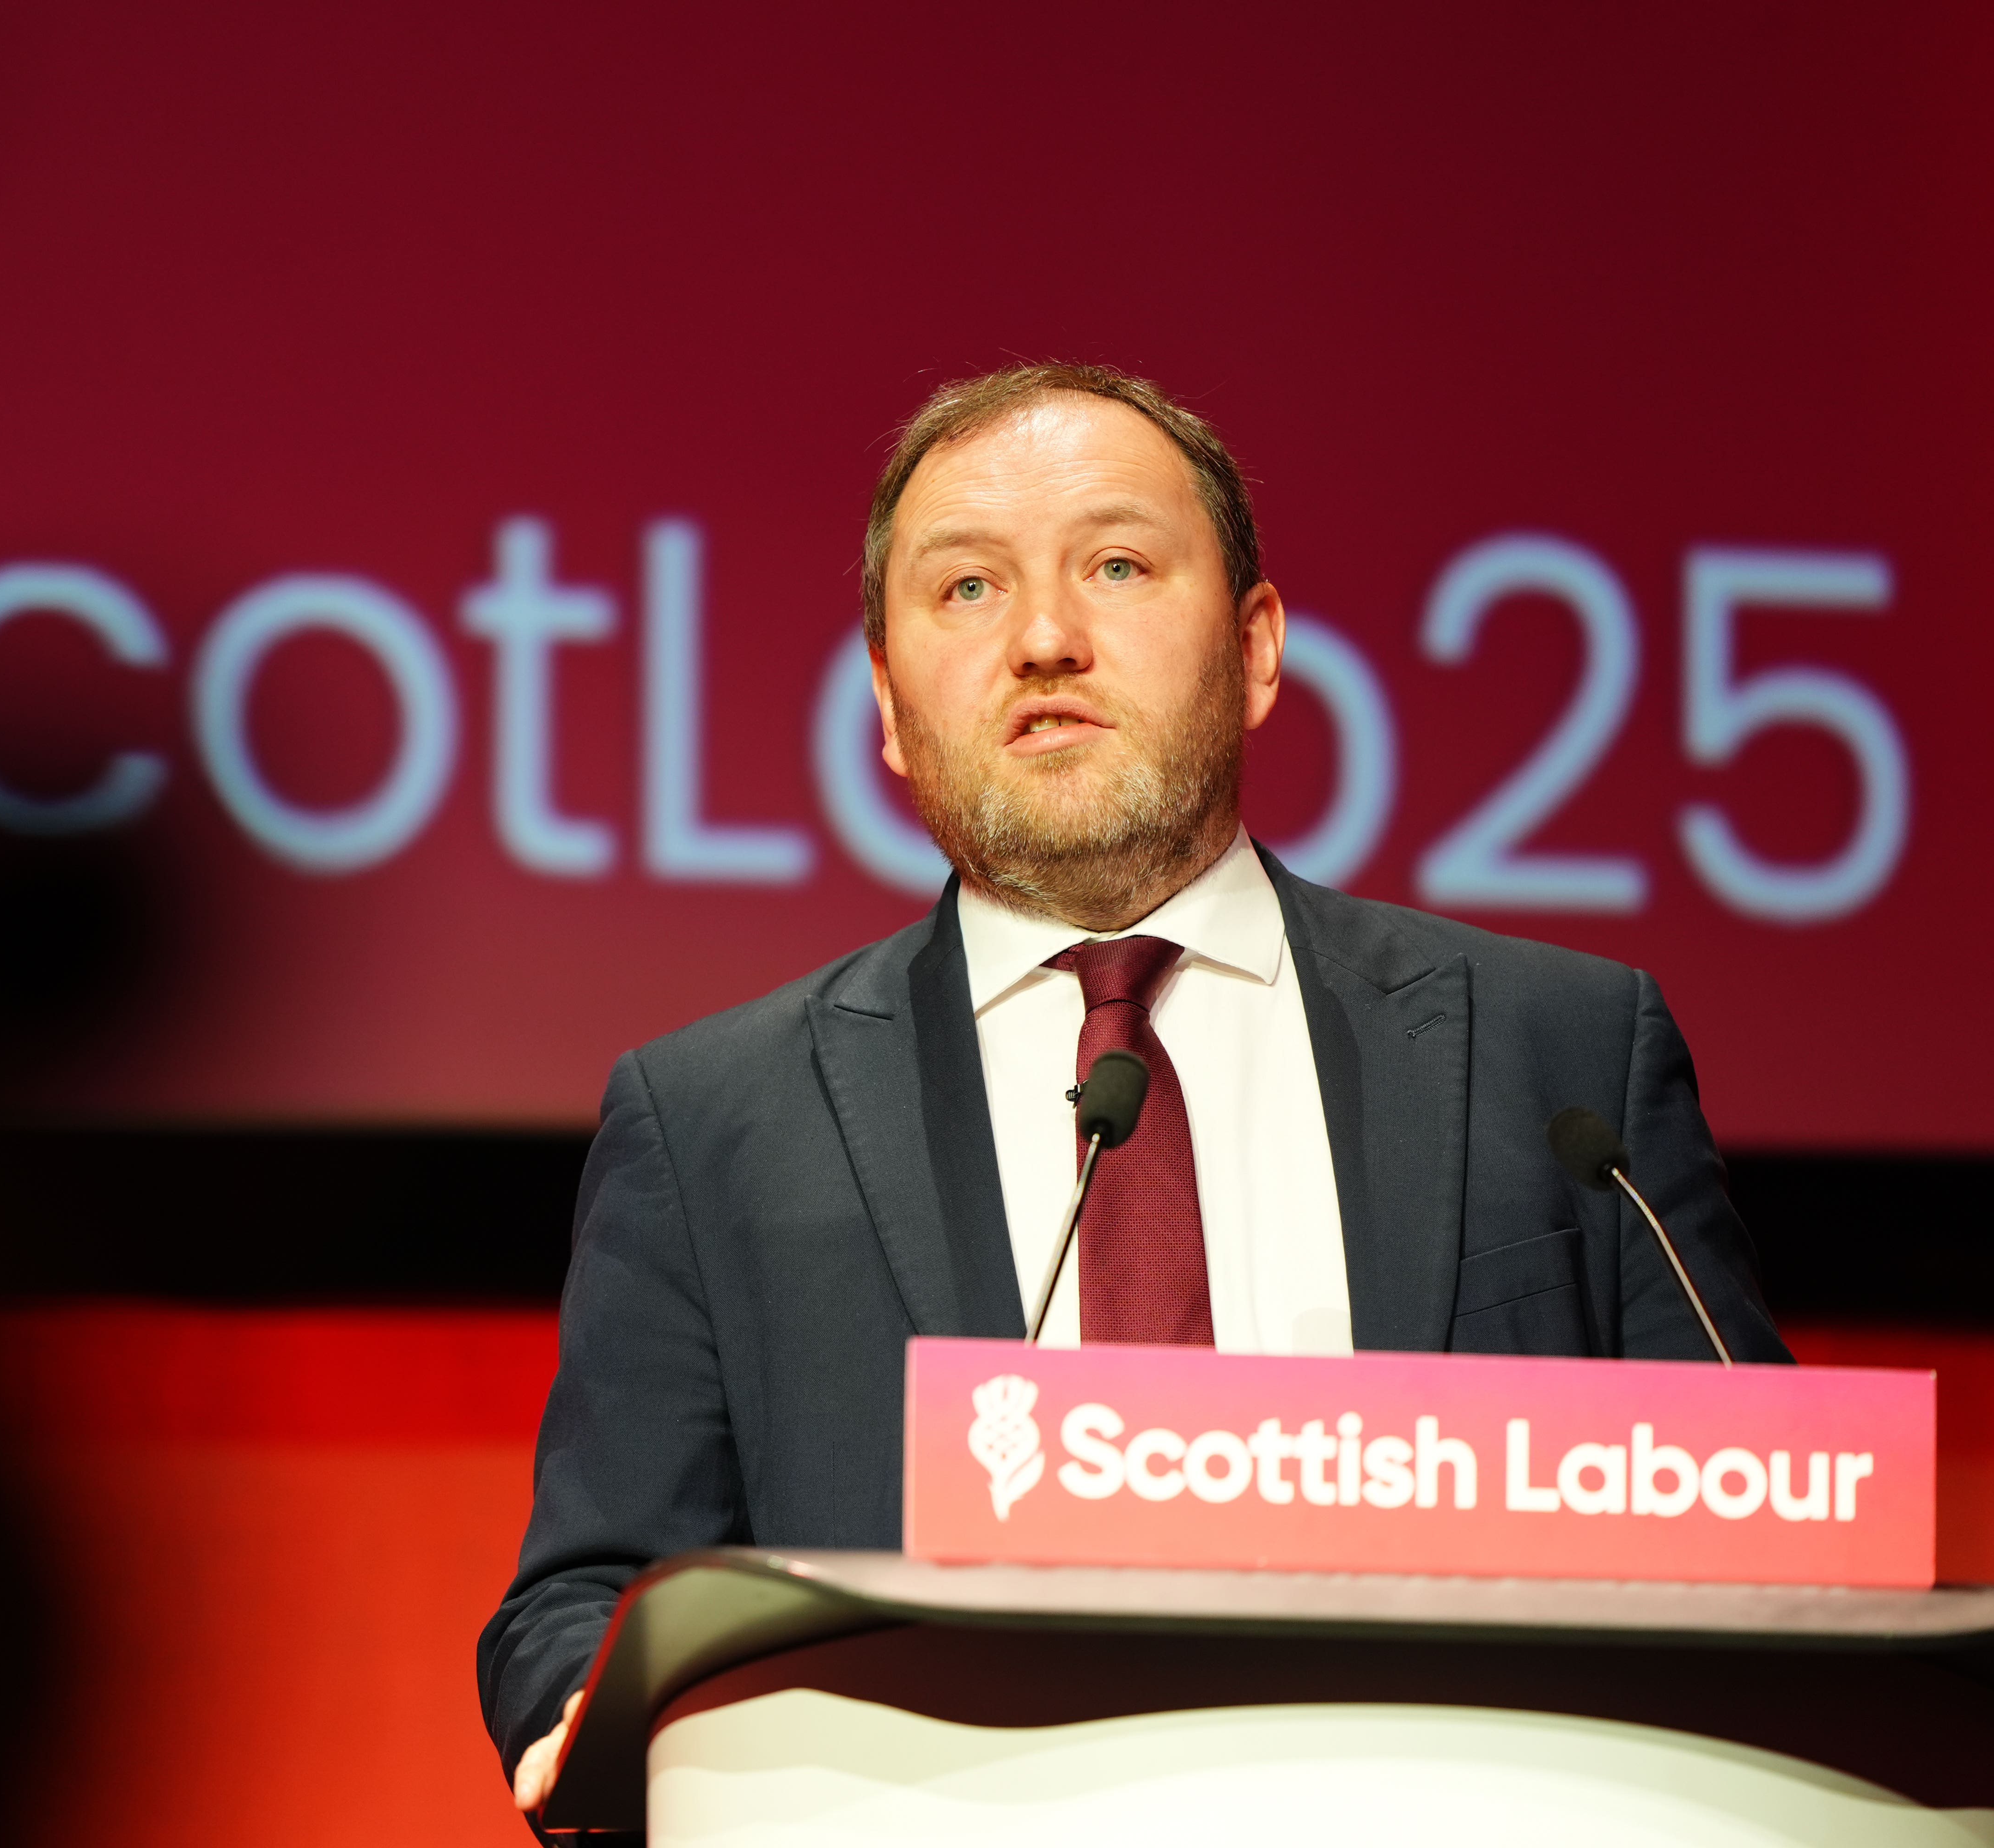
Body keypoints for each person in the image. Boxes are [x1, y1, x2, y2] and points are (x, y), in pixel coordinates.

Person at [477, 362, 1787, 1813]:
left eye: (1115, 565)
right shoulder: (714, 1116)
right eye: (967, 589)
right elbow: (583, 1602)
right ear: (891, 706)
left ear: (1259, 649)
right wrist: (600, 1715)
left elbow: (1771, 1546)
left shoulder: (1563, 1051)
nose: (1044, 638)